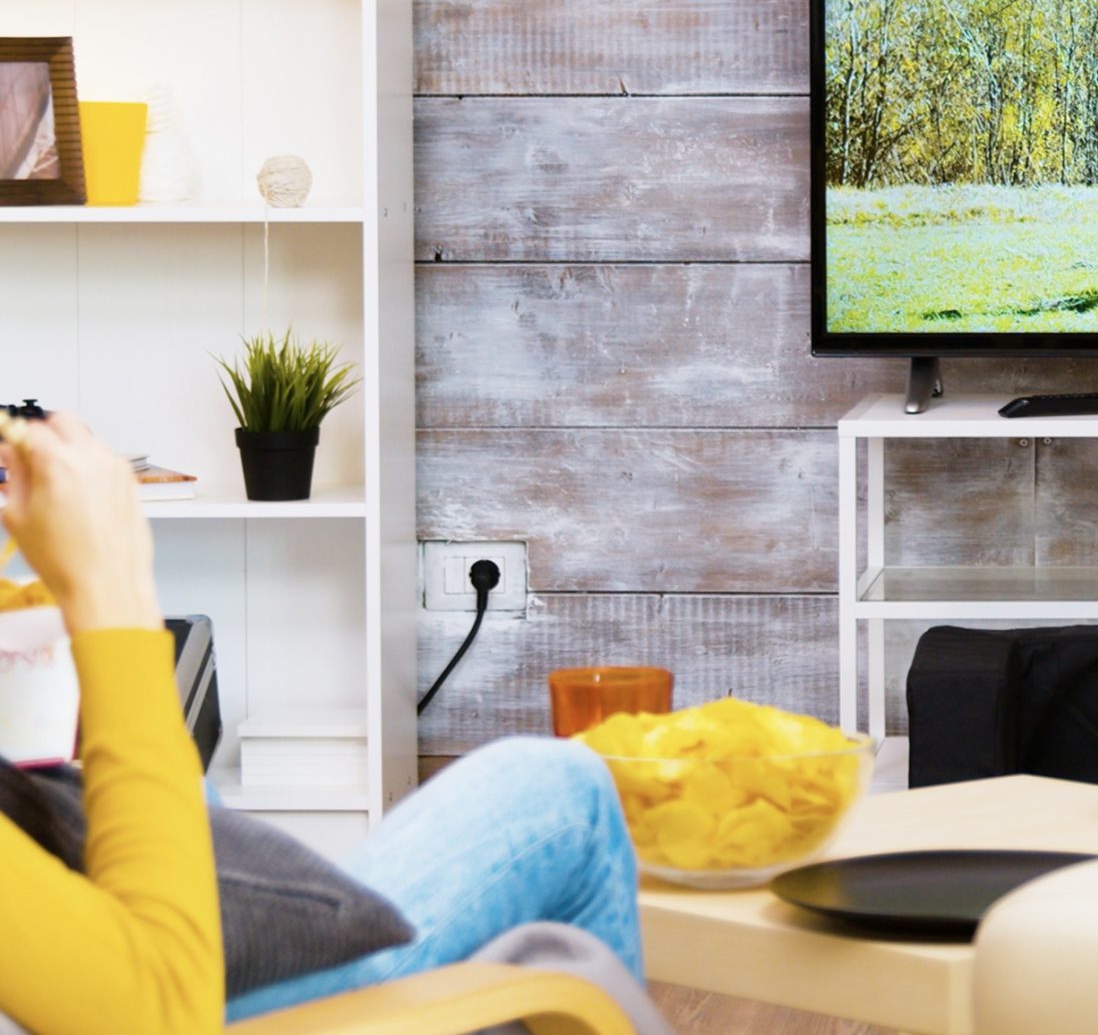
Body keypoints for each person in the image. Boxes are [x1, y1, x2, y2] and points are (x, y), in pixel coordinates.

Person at [0, 411, 649, 1029]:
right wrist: (112, 588)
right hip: (161, 994)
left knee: (196, 796)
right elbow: (158, 1008)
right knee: (559, 793)